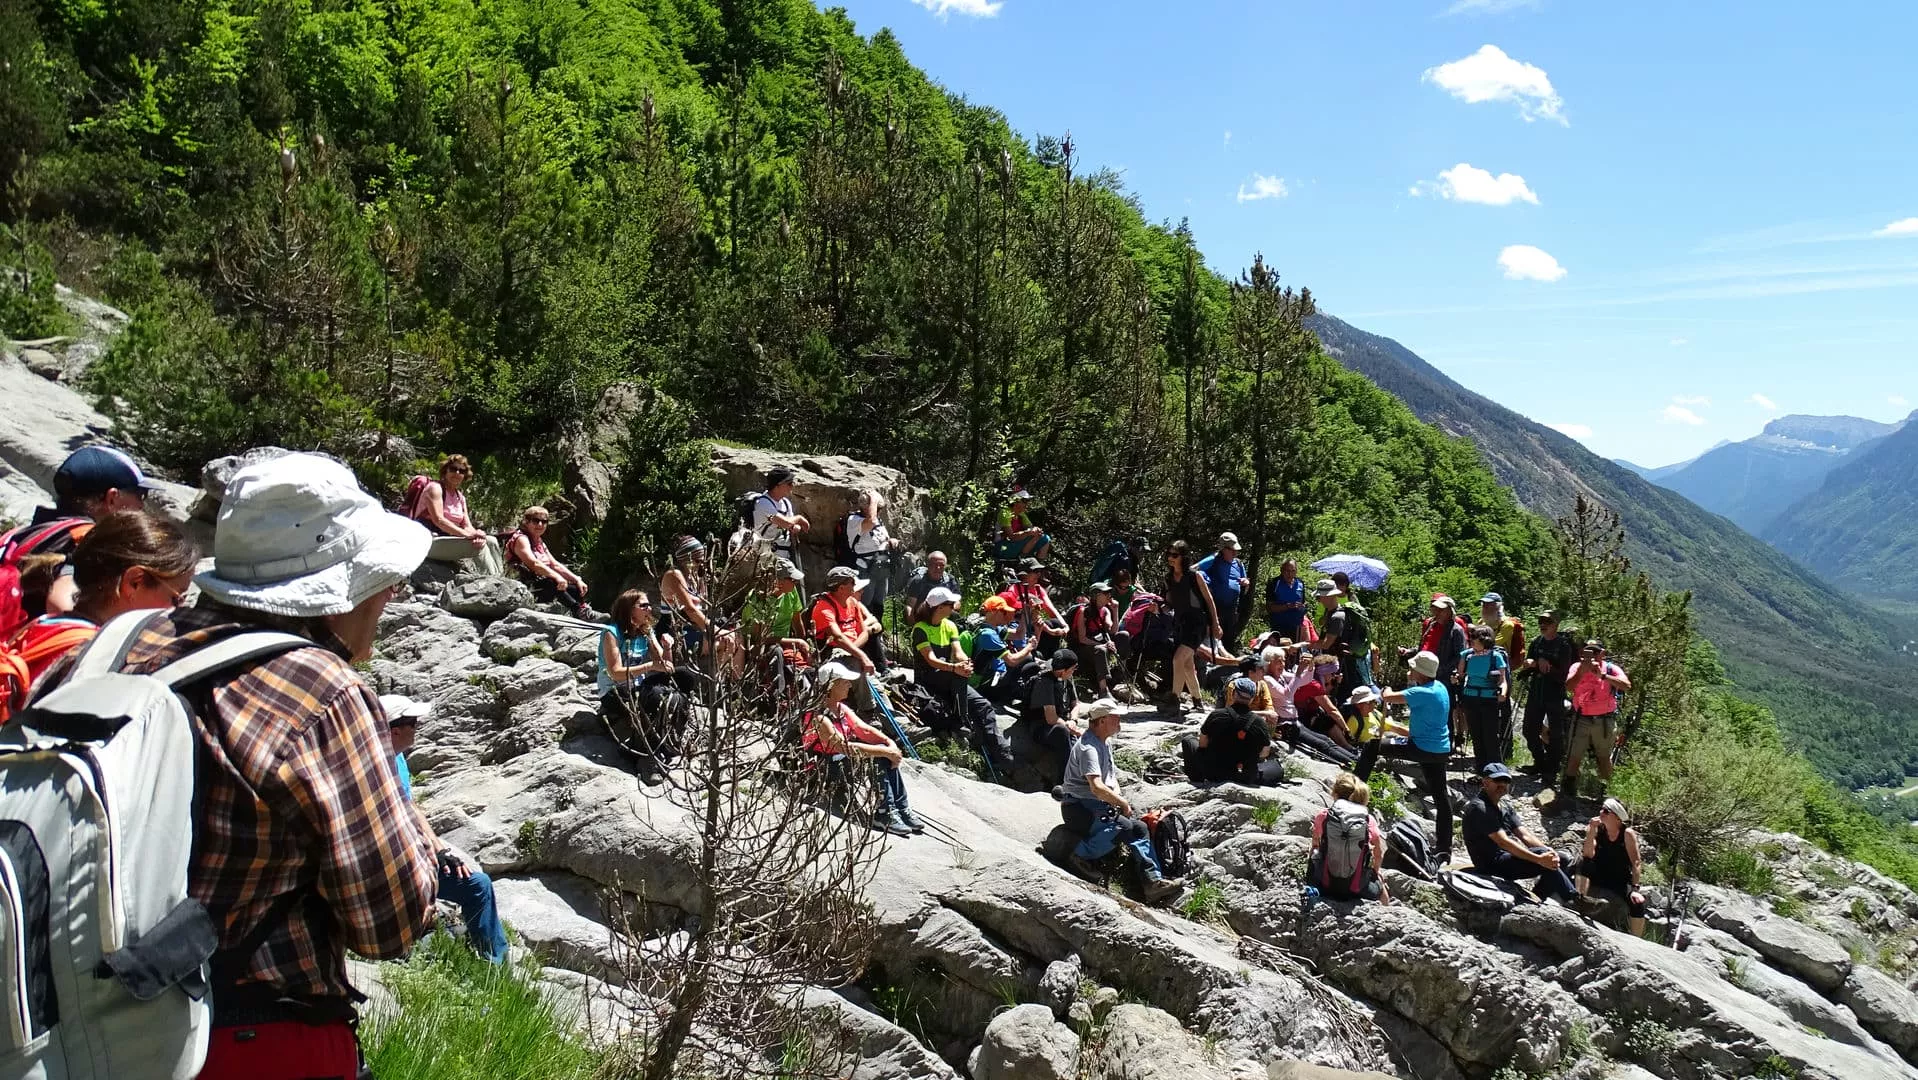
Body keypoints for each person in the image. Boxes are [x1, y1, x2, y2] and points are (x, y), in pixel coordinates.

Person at [33, 452, 438, 1080]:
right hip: (241, 1038)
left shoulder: (108, 646)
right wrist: (415, 831)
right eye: (381, 579)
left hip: (69, 1024)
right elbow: (390, 923)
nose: (390, 594)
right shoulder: (319, 690)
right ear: (339, 593)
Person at [4, 510, 198, 694]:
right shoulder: (93, 659)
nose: (176, 611)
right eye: (176, 598)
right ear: (135, 582)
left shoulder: (44, 623)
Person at [379, 694, 509, 963]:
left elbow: (411, 807)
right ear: (394, 731)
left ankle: (494, 966)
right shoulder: (373, 769)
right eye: (413, 722)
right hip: (392, 863)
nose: (417, 727)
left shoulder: (398, 759)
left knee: (477, 884)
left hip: (415, 854)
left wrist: (440, 850)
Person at [2, 444, 162, 622]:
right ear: (112, 498)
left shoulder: (22, 534)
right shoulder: (89, 543)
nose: (141, 505)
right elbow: (61, 605)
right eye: (140, 495)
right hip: (44, 638)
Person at [1060, 701, 1184, 903]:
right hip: (1080, 807)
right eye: (1115, 717)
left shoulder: (1104, 741)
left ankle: (1152, 882)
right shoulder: (1089, 747)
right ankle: (1079, 856)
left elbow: (1109, 778)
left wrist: (1116, 798)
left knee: (1139, 828)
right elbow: (1096, 787)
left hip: (1097, 805)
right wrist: (1122, 803)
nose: (1119, 720)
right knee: (1122, 826)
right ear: (1102, 721)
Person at [1353, 650, 1455, 865]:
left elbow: (1388, 697)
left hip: (1420, 747)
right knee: (1440, 796)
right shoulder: (1440, 687)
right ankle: (1444, 848)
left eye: (1413, 668)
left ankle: (1353, 790)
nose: (1410, 670)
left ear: (1420, 671)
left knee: (1372, 746)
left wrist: (1386, 690)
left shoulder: (1420, 692)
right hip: (1440, 749)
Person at [804, 661, 921, 836]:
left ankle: (901, 807)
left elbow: (863, 729)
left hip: (840, 762)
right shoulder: (818, 716)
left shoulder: (839, 708)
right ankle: (884, 813)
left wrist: (889, 744)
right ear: (831, 685)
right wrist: (885, 751)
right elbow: (843, 747)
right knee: (879, 755)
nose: (850, 685)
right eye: (845, 682)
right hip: (824, 767)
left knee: (883, 752)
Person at [911, 587, 1012, 770]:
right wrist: (954, 668)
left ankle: (1002, 754)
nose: (954, 607)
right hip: (928, 678)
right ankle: (961, 721)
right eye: (951, 605)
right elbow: (930, 659)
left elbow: (958, 652)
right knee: (958, 678)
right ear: (940, 607)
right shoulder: (920, 629)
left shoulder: (949, 625)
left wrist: (965, 662)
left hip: (949, 675)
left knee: (983, 705)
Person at [596, 588, 685, 767]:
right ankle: (645, 752)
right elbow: (615, 672)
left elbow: (665, 666)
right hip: (615, 690)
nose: (649, 609)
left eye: (649, 605)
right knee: (655, 697)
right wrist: (649, 666)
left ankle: (670, 740)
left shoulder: (646, 631)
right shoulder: (611, 633)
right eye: (643, 606)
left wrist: (667, 648)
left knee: (685, 676)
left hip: (637, 685)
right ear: (629, 609)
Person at [1462, 763, 1576, 901]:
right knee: (1543, 856)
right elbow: (1503, 842)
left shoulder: (1504, 807)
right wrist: (1539, 859)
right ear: (1485, 782)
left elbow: (1524, 835)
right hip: (1490, 864)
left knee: (1559, 858)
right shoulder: (1479, 808)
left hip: (1506, 859)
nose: (1502, 784)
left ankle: (1537, 898)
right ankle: (1573, 899)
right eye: (1497, 780)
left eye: (1506, 781)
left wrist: (1549, 852)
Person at [1556, 641, 1631, 807]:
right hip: (1581, 718)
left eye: (1595, 652)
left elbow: (1626, 685)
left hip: (1604, 720)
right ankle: (1568, 792)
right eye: (1587, 652)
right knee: (1574, 755)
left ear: (1602, 654)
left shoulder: (1610, 669)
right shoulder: (1577, 667)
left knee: (1603, 757)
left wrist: (1603, 676)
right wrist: (1582, 672)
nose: (1591, 656)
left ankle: (1607, 794)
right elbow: (1569, 686)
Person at [408, 454, 506, 575]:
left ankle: (501, 578)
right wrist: (467, 535)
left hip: (446, 539)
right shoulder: (435, 488)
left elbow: (467, 525)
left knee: (490, 540)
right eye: (453, 469)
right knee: (477, 546)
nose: (457, 473)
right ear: (445, 471)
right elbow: (439, 520)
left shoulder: (460, 497)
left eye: (462, 471)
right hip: (428, 542)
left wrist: (477, 535)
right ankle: (495, 581)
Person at [659, 535, 739, 672]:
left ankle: (729, 680)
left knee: (735, 636)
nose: (701, 565)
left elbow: (704, 605)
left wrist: (703, 579)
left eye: (703, 561)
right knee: (727, 640)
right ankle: (722, 680)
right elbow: (690, 609)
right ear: (686, 560)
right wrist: (715, 631)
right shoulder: (674, 574)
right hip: (675, 631)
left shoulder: (694, 578)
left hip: (693, 628)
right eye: (697, 561)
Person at [1309, 773, 1391, 903]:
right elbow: (1378, 855)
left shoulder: (1324, 816)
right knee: (1380, 885)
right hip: (1356, 888)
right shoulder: (1368, 820)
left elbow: (1315, 845)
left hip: (1324, 883)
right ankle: (1387, 910)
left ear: (1335, 794)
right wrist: (1375, 874)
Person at [1181, 677, 1276, 785]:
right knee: (1274, 768)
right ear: (1252, 698)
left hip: (1214, 774)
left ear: (1233, 693)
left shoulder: (1217, 715)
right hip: (1243, 776)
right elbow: (1264, 752)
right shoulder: (1260, 723)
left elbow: (1202, 744)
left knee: (1188, 740)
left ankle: (1197, 777)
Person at [1163, 540, 1222, 713]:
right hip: (1180, 624)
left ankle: (1174, 701)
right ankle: (1197, 701)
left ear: (1183, 557)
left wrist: (1216, 623)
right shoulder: (1169, 578)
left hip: (1197, 624)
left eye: (1175, 555)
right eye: (1169, 554)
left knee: (1178, 660)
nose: (1171, 558)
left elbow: (1209, 601)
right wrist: (1159, 608)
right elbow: (1170, 603)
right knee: (1187, 665)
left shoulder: (1195, 576)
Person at [1576, 797, 1648, 935]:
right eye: (1602, 809)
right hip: (1598, 873)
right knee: (1584, 863)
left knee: (1637, 903)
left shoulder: (1627, 834)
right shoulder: (1597, 829)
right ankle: (1581, 900)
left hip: (1619, 879)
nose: (1601, 813)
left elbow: (1636, 863)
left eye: (1606, 811)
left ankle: (1636, 939)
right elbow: (1588, 854)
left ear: (1617, 817)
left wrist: (1635, 888)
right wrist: (1591, 832)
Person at [504, 505, 589, 615]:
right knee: (552, 581)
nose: (540, 524)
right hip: (523, 586)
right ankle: (578, 611)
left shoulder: (538, 541)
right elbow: (534, 564)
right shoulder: (521, 539)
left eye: (544, 522)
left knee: (575, 587)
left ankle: (583, 609)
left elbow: (554, 564)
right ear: (526, 522)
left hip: (540, 583)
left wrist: (576, 579)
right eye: (536, 521)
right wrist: (557, 577)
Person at [1520, 610, 1574, 780]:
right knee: (1529, 730)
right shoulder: (1536, 642)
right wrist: (1529, 664)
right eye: (1541, 622)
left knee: (1555, 733)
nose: (1543, 625)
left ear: (1556, 624)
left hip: (1555, 693)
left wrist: (1543, 665)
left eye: (1547, 622)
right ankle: (1540, 762)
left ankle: (1552, 769)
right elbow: (1530, 665)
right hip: (1536, 692)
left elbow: (1564, 673)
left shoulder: (1564, 645)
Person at [812, 565, 890, 675]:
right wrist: (860, 655)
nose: (855, 584)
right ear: (841, 588)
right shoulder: (824, 608)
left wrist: (853, 651)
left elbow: (863, 632)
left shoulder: (852, 602)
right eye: (852, 582)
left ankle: (883, 672)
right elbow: (838, 637)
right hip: (833, 651)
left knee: (869, 640)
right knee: (855, 662)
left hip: (851, 648)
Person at [1022, 650, 1084, 779]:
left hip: (1063, 722)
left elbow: (1076, 704)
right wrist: (1071, 728)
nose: (1074, 671)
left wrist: (1073, 721)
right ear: (1062, 671)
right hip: (1042, 726)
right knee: (1062, 732)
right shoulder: (1044, 682)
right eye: (1073, 668)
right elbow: (1051, 718)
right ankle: (1065, 779)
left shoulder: (1066, 678)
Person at [969, 594, 1038, 707]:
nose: (1007, 615)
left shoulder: (992, 628)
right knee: (1028, 659)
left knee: (1027, 659)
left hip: (991, 676)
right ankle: (1008, 695)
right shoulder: (988, 634)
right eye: (1004, 612)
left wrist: (1026, 611)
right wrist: (1029, 647)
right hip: (983, 683)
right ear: (995, 612)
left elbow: (1019, 635)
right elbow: (1012, 661)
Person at [1459, 625, 1510, 773]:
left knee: (1490, 736)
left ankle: (1495, 771)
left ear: (1484, 640)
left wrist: (1503, 693)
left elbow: (1502, 680)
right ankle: (1481, 769)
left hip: (1489, 700)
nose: (1471, 640)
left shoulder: (1496, 656)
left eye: (1474, 638)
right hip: (1470, 698)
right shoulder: (1467, 655)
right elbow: (1460, 675)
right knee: (1476, 735)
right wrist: (1456, 678)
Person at [846, 488, 901, 615]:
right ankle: (863, 625)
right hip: (866, 568)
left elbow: (879, 540)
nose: (879, 511)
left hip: (882, 567)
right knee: (865, 604)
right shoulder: (854, 520)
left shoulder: (878, 521)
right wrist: (874, 501)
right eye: (877, 508)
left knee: (879, 604)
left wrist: (891, 541)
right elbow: (870, 522)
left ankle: (878, 625)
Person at [1001, 558, 1068, 656]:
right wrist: (1050, 630)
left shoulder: (1038, 588)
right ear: (1024, 574)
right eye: (1035, 571)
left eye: (1039, 571)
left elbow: (1049, 608)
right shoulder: (1014, 590)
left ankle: (1050, 655)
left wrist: (1064, 625)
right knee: (1047, 625)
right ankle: (1038, 654)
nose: (1039, 574)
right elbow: (1018, 615)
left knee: (1055, 623)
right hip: (1022, 623)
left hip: (1035, 620)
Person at [1317, 578, 1373, 691]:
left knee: (1344, 692)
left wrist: (1305, 644)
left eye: (1319, 597)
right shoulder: (1332, 613)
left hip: (1342, 665)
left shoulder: (1337, 617)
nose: (1319, 600)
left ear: (1328, 596)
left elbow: (1326, 644)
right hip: (1339, 663)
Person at [1193, 532, 1248, 648]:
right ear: (1223, 549)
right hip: (1216, 609)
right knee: (1214, 640)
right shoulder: (1213, 560)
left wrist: (1246, 582)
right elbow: (1193, 570)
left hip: (1232, 609)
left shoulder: (1238, 564)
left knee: (1229, 640)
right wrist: (1205, 582)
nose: (1235, 553)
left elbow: (1245, 582)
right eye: (1232, 550)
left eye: (1236, 550)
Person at [751, 467, 811, 569]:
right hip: (765, 557)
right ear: (777, 485)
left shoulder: (785, 503)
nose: (792, 486)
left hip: (784, 555)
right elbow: (786, 523)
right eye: (789, 483)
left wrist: (795, 527)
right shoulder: (763, 503)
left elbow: (791, 524)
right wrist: (799, 518)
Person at [1071, 581, 1122, 697]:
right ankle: (1103, 690)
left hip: (1099, 645)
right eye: (1106, 593)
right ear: (1096, 596)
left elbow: (1113, 631)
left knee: (1123, 635)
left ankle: (1119, 674)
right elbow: (1082, 639)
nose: (1109, 596)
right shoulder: (1083, 612)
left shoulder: (1105, 610)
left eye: (1109, 593)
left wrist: (1115, 610)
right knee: (1101, 649)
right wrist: (1103, 645)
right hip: (1084, 648)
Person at [1293, 655, 1354, 749]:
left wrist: (1334, 684)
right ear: (1324, 672)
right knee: (1328, 720)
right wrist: (1346, 729)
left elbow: (1324, 695)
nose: (1333, 676)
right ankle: (1347, 747)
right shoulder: (1314, 684)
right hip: (1301, 717)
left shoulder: (1312, 679)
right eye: (1332, 673)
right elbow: (1331, 710)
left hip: (1305, 712)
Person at [996, 486, 1051, 563]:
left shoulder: (1021, 514)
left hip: (1014, 545)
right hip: (1002, 547)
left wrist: (1035, 530)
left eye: (1028, 501)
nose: (1027, 504)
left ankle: (1037, 564)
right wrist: (1027, 533)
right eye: (1025, 501)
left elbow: (1030, 527)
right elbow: (1011, 537)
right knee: (1033, 535)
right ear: (1015, 501)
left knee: (1044, 538)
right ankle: (1022, 561)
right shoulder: (1005, 513)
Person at [903, 549, 955, 623]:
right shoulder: (918, 580)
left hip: (942, 617)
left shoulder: (949, 580)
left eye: (941, 565)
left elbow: (957, 602)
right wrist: (913, 625)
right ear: (928, 565)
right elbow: (910, 606)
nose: (938, 568)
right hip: (922, 618)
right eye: (935, 565)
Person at [1265, 558, 1307, 639]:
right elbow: (1269, 608)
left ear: (1296, 571)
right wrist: (1287, 606)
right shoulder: (1274, 583)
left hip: (1297, 627)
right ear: (1281, 570)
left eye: (1293, 571)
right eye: (1287, 571)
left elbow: (1303, 603)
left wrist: (1303, 608)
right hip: (1279, 627)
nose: (1290, 574)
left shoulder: (1300, 583)